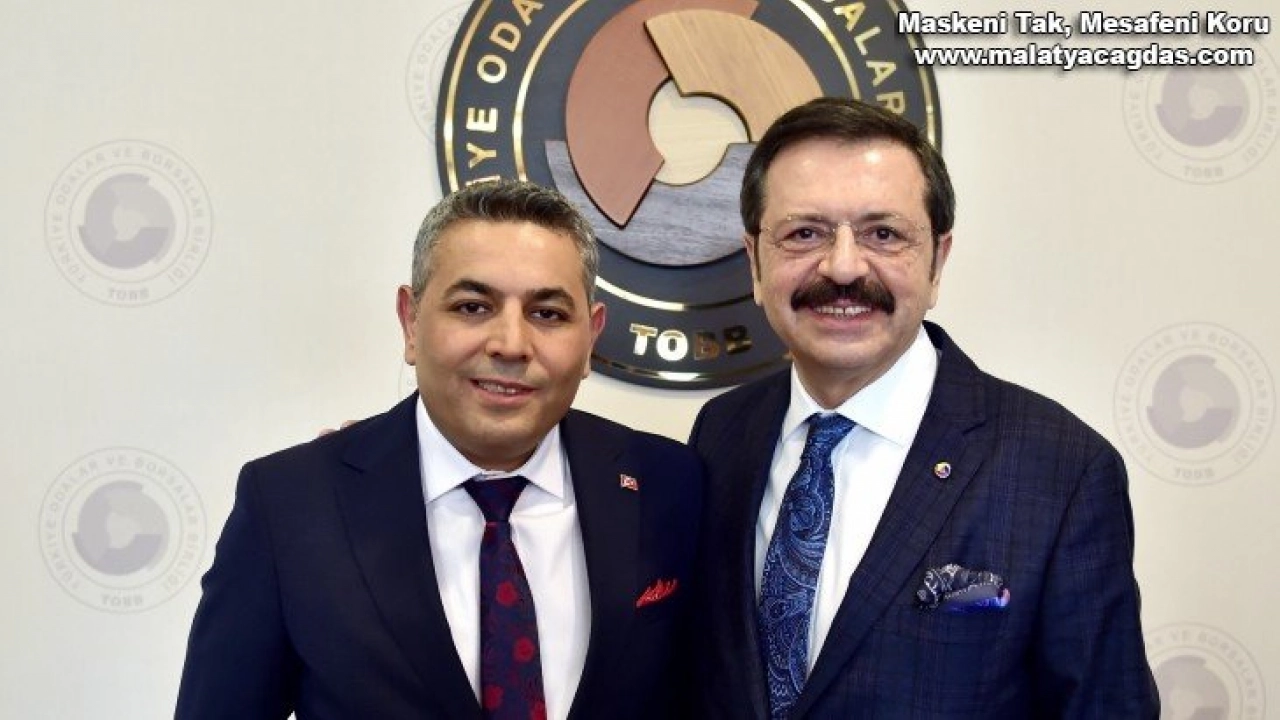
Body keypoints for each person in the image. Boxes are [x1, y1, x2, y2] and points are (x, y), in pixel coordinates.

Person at [688, 98, 1159, 718]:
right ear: (755, 262)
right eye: (805, 234)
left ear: (937, 261)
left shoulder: (1062, 470)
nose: (844, 267)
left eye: (884, 234)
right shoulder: (722, 434)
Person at [175, 180, 703, 719]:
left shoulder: (668, 484)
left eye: (547, 314)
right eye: (473, 307)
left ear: (590, 337)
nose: (511, 345)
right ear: (411, 322)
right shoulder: (290, 505)